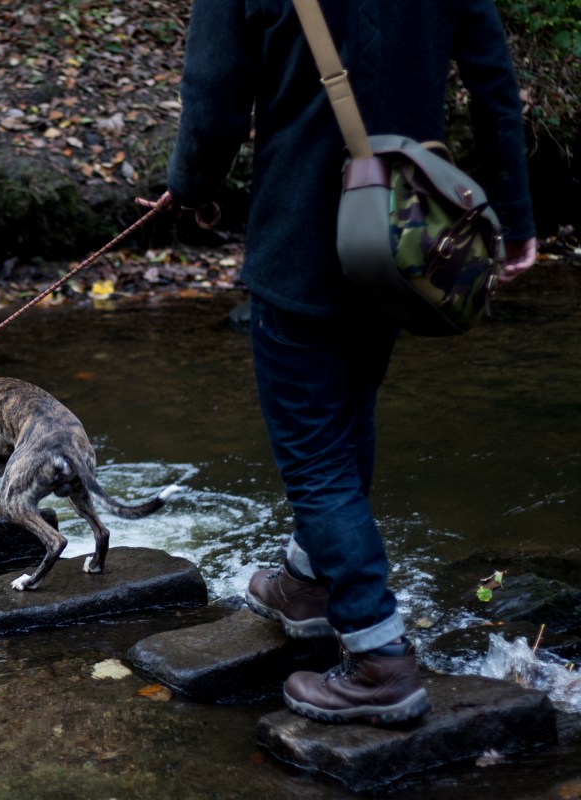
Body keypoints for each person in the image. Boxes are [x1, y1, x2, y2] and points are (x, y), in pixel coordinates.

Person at [167, 0, 537, 724]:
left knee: (313, 454)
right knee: (348, 411)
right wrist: (516, 217)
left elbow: (213, 92)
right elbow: (494, 81)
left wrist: (193, 190)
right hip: (401, 238)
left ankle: (378, 660)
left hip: (299, 239)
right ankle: (308, 585)